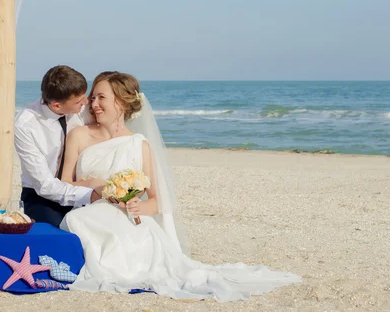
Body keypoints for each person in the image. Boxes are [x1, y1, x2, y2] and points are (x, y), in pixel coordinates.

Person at [59, 71, 301, 301]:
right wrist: (92, 186)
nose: (94, 104)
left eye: (101, 97)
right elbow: (63, 184)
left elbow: (156, 201)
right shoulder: (79, 135)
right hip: (90, 210)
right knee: (77, 220)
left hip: (129, 219)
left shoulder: (138, 145)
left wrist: (136, 206)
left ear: (121, 103)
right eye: (93, 97)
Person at [14, 65, 103, 227]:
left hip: (84, 187)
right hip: (41, 197)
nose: (86, 102)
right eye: (78, 101)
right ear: (56, 106)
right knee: (60, 238)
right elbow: (44, 185)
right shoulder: (25, 125)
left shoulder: (82, 107)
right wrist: (90, 195)